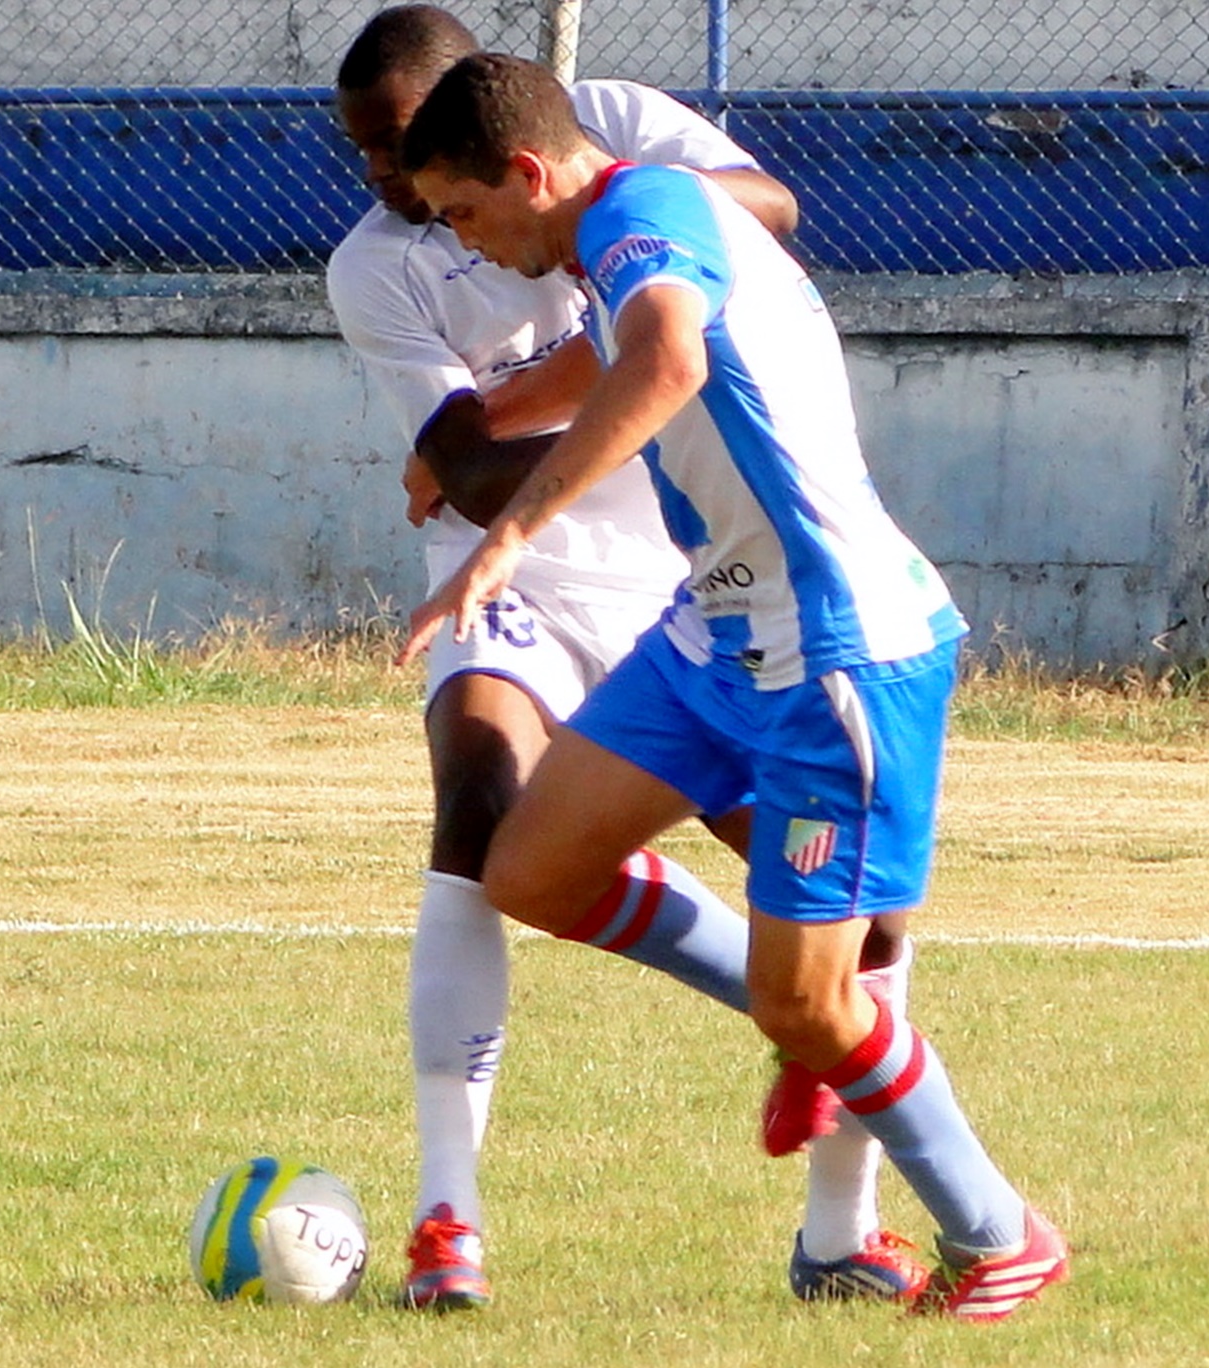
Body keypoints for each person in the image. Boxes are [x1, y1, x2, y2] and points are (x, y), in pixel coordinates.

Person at [397, 52, 1071, 1321]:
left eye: (467, 214)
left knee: (809, 999)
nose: (470, 247)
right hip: (715, 635)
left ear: (529, 173)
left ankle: (998, 1230)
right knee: (528, 871)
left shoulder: (641, 220)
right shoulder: (634, 219)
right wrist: (478, 425)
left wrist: (510, 531)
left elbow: (663, 363)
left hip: (836, 650)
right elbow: (613, 351)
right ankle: (806, 1019)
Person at [326, 6, 919, 1313]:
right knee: (478, 812)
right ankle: (447, 1225)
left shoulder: (620, 129)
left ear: (486, 121)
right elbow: (470, 478)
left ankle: (842, 1233)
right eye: (362, 154)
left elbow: (761, 215)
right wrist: (625, 392)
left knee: (860, 915)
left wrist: (609, 359)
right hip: (514, 578)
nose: (381, 180)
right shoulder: (375, 263)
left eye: (399, 147)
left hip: (688, 573)